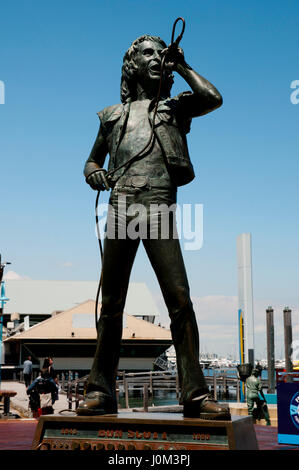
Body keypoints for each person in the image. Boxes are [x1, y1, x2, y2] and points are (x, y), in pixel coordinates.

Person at [77, 33, 230, 420]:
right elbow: (91, 162)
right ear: (132, 64)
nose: (157, 57)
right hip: (121, 205)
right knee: (111, 304)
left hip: (158, 205)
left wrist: (181, 64)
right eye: (149, 53)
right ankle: (100, 391)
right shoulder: (113, 116)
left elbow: (213, 98)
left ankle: (194, 393)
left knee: (179, 298)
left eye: (161, 53)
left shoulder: (176, 108)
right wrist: (94, 175)